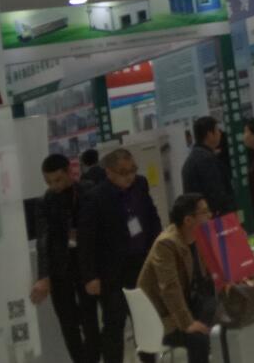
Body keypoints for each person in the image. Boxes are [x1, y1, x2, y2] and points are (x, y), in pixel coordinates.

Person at [78, 148, 162, 363]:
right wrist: (90, 276)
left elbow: (152, 218)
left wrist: (157, 250)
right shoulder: (95, 198)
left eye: (133, 169)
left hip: (141, 264)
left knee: (144, 319)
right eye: (123, 172)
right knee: (114, 323)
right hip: (111, 272)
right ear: (109, 172)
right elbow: (86, 241)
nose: (130, 176)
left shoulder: (140, 185)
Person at [31, 154, 99, 363]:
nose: (54, 186)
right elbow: (43, 240)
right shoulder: (45, 202)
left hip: (86, 267)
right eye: (49, 182)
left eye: (58, 180)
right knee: (68, 324)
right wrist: (44, 276)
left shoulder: (88, 191)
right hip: (60, 270)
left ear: (70, 172)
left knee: (90, 320)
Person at [136, 194, 216, 363]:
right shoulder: (166, 244)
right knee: (199, 339)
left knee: (226, 311)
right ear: (188, 220)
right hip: (162, 318)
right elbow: (169, 288)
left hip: (188, 305)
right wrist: (187, 323)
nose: (210, 216)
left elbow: (209, 273)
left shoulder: (197, 238)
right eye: (204, 212)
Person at [181, 116, 236, 217]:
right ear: (209, 134)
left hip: (199, 218)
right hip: (214, 220)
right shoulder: (206, 160)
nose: (220, 133)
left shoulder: (192, 159)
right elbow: (216, 195)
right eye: (217, 130)